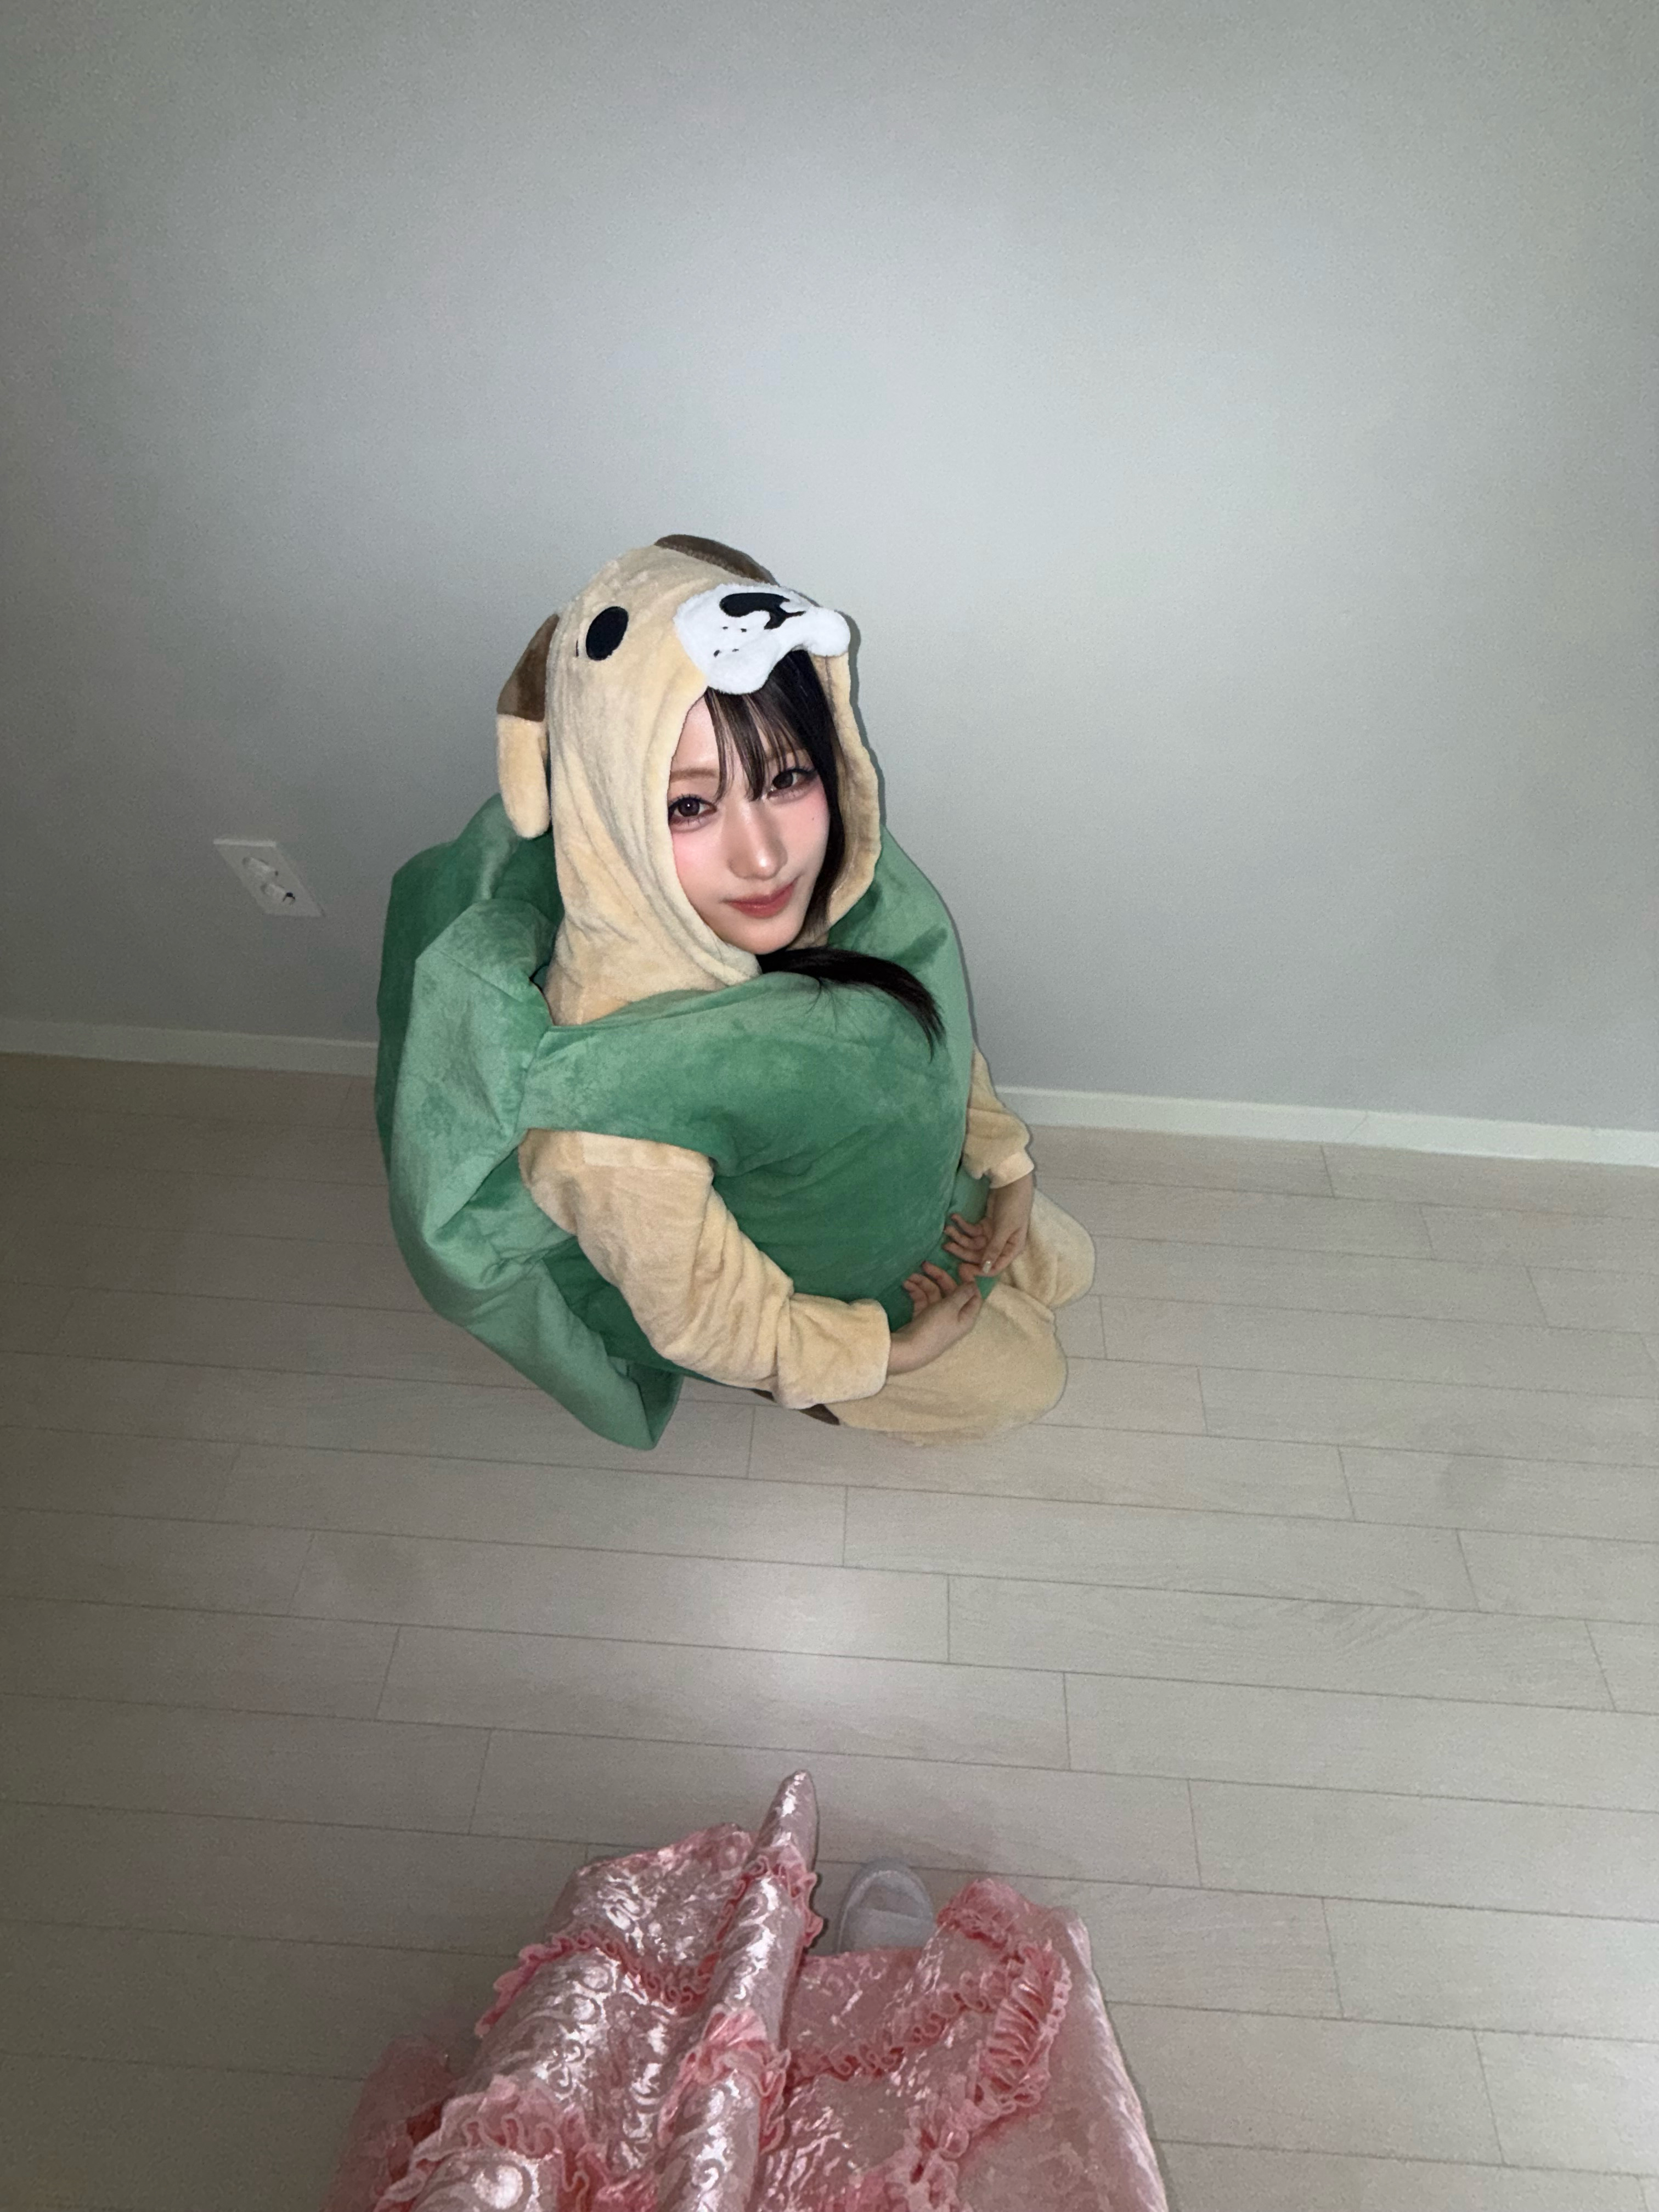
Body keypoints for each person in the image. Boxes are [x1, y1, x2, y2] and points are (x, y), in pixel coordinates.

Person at [376, 535, 1094, 1446]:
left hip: (882, 1184)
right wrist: (883, 1351)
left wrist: (1005, 1162)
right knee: (1028, 1382)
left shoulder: (836, 887)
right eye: (690, 805)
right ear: (613, 813)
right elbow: (704, 1315)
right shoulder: (605, 1107)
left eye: (787, 778)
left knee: (1067, 1264)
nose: (764, 858)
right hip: (797, 1285)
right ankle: (815, 1391)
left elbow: (926, 1024)